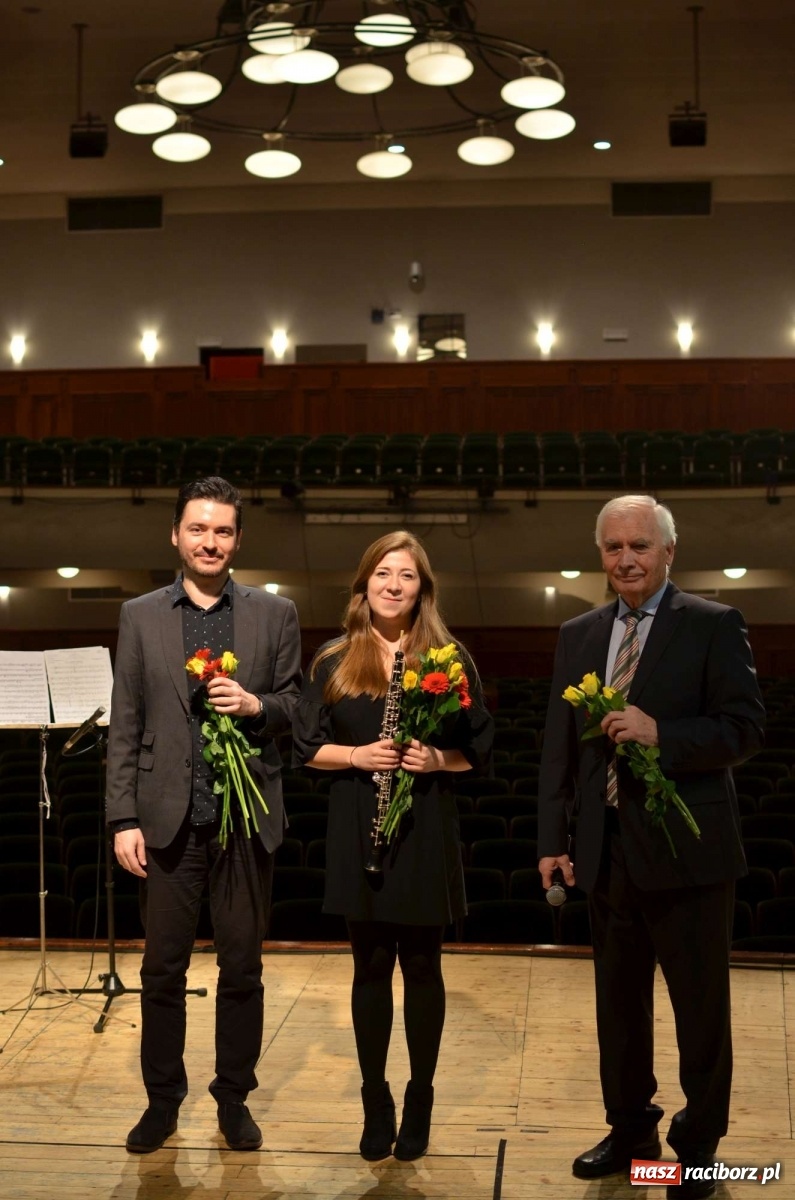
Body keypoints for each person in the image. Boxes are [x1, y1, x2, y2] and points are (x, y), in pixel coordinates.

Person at [538, 494, 765, 1200]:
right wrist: (552, 840)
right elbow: (558, 749)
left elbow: (744, 729)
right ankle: (631, 1134)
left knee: (700, 1013)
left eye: (639, 545)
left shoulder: (713, 624)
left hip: (688, 854)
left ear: (669, 550)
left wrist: (661, 733)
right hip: (606, 854)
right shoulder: (578, 633)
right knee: (618, 1011)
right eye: (613, 547)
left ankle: (696, 1152)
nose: (626, 559)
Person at [106, 476, 301, 1154]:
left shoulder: (276, 613)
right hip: (166, 822)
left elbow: (296, 707)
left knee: (241, 969)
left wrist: (256, 705)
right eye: (198, 529)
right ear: (176, 536)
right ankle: (162, 1102)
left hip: (243, 821)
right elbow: (126, 723)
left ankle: (233, 1098)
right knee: (162, 971)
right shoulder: (139, 615)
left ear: (237, 540)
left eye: (222, 531)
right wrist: (122, 818)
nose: (209, 541)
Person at [292, 531, 493, 1163]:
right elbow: (305, 748)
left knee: (424, 967)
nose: (394, 585)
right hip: (359, 826)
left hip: (423, 826)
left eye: (406, 575)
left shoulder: (450, 659)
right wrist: (357, 755)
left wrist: (436, 759)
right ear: (364, 584)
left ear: (422, 588)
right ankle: (375, 1101)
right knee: (370, 968)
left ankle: (420, 1098)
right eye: (383, 573)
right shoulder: (333, 659)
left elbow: (479, 748)